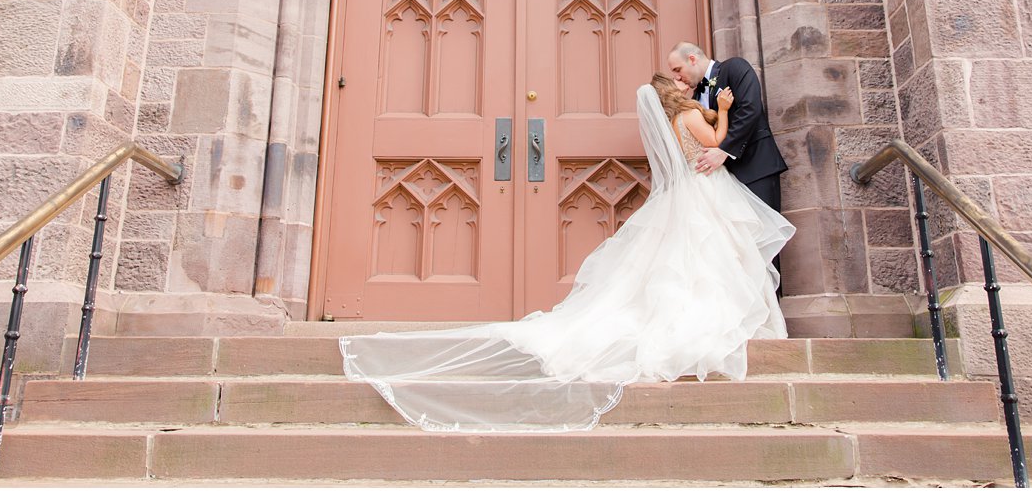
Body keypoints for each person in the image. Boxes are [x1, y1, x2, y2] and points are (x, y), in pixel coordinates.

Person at [339, 77, 794, 432]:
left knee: (688, 261)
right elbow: (714, 143)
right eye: (677, 83)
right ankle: (706, 320)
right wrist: (725, 112)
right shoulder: (691, 117)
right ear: (669, 98)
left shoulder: (672, 123)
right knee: (705, 259)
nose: (684, 85)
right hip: (704, 192)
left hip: (689, 194)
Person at [665, 42, 787, 214]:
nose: (677, 77)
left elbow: (750, 108)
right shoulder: (695, 96)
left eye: (678, 70)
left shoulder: (734, 67)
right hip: (723, 182)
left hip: (755, 168)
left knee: (764, 233)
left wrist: (724, 151)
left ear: (692, 59)